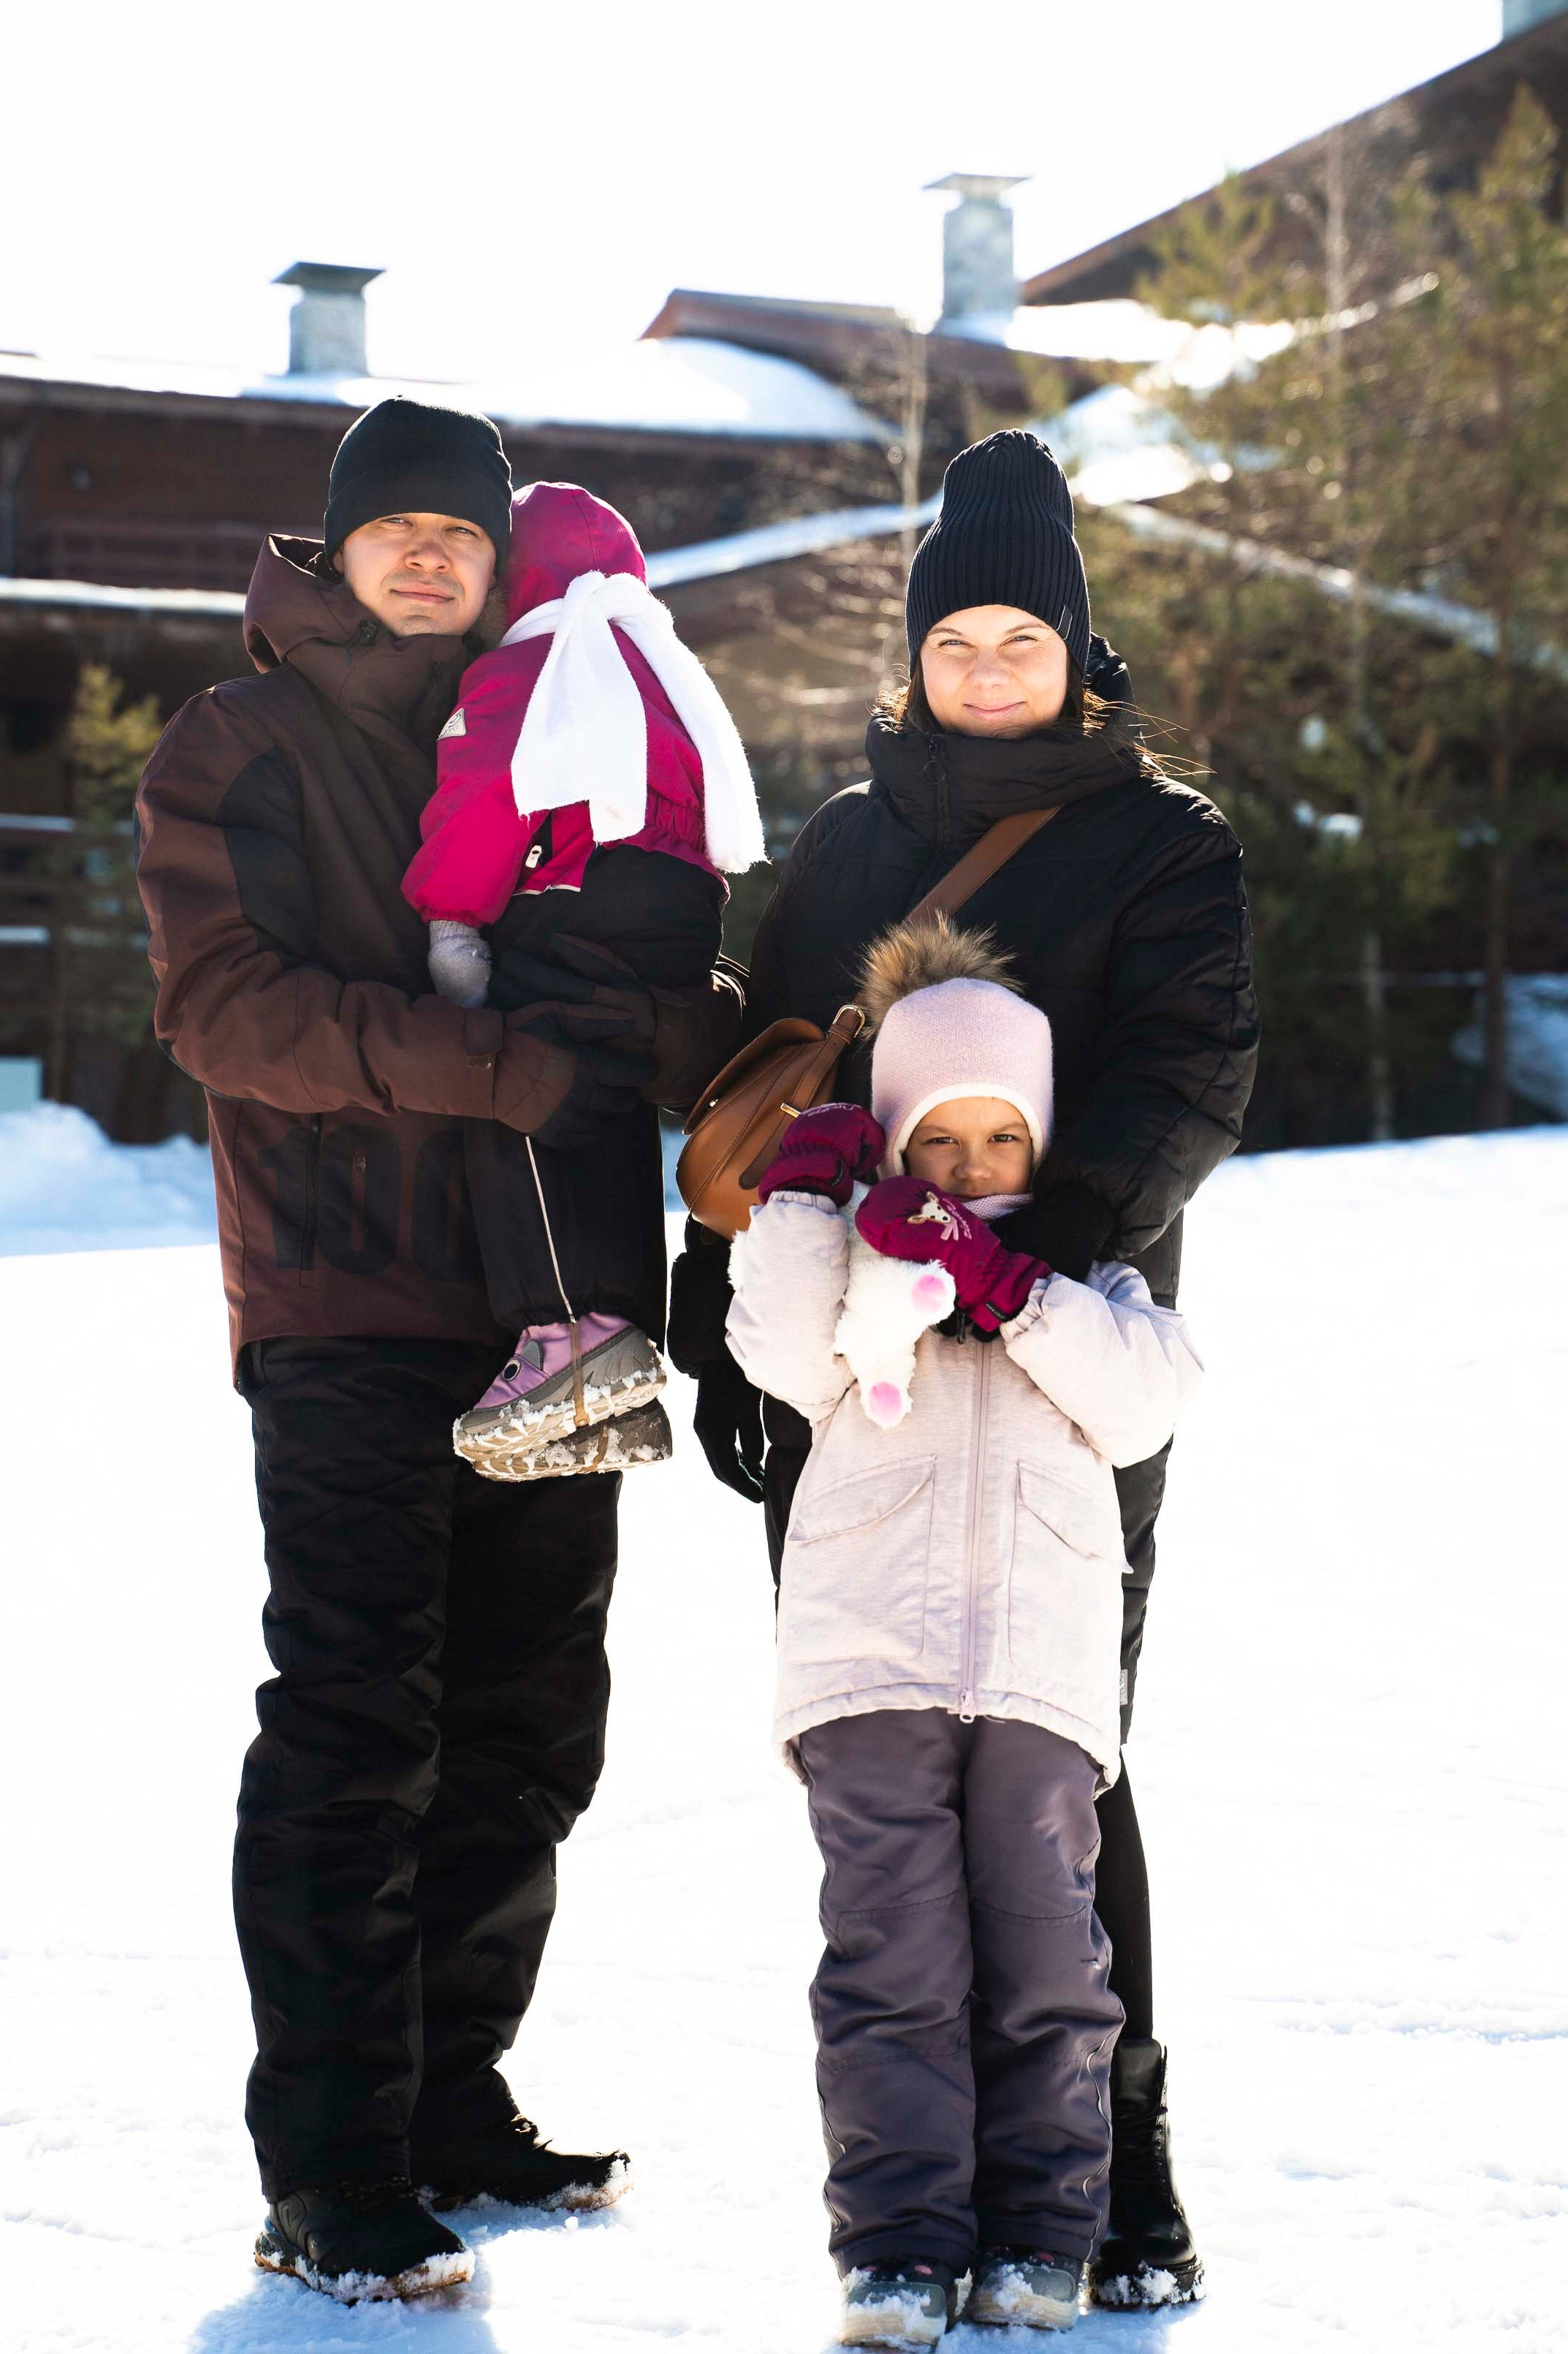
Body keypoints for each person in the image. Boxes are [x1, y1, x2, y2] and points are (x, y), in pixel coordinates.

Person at [135, 398, 740, 2304]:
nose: (424, 556)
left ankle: (449, 2097)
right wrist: (495, 1063)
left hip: (554, 1300)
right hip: (345, 1302)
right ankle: (326, 2161)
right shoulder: (236, 741)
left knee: (528, 1714)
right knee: (355, 1713)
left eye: (457, 535)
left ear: (498, 559)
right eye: (389, 527)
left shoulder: (558, 721)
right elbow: (228, 1009)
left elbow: (625, 964)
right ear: (337, 547)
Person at [670, 428, 1260, 2308]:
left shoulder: (1167, 844)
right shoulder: (846, 843)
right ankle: (912, 2209)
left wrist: (1025, 1253)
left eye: (1024, 640)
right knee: (882, 1789)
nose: (988, 670)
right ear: (912, 657)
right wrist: (728, 1313)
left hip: (1073, 1360)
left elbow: (1196, 1078)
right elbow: (765, 1076)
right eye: (958, 642)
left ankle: (1114, 2178)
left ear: (1078, 657)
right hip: (847, 1372)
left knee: (1062, 1765)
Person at [727, 921, 1203, 2343]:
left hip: (1044, 1682)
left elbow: (1145, 1396)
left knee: (1052, 1964)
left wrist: (1016, 1294)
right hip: (871, 1661)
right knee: (892, 1961)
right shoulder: (860, 1280)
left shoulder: (1088, 1288)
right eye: (940, 1139)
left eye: (1003, 1138)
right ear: (893, 1141)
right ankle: (899, 2245)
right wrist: (806, 1203)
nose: (972, 1168)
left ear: (1040, 1148)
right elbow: (778, 1346)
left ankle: (1044, 2236)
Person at [400, 479, 764, 1478]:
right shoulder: (662, 670)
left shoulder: (532, 668)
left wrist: (451, 921)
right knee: (605, 1106)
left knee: (519, 1092)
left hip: (576, 893)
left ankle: (565, 1337)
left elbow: (482, 805)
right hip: (678, 918)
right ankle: (618, 1366)